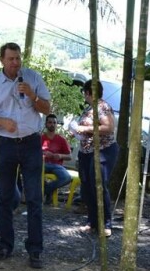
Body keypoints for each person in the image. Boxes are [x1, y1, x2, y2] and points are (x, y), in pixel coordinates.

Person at [0, 42, 51, 269]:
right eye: (11, 59)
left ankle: (35, 249)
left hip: (31, 143)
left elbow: (47, 109)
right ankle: (5, 245)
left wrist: (32, 95)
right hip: (5, 144)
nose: (15, 63)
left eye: (18, 58)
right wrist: (1, 121)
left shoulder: (32, 78)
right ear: (2, 60)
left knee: (34, 198)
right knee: (4, 197)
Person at [72, 79, 118, 238]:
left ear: (88, 92)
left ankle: (106, 223)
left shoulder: (102, 107)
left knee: (98, 186)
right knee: (87, 186)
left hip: (102, 151)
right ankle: (92, 221)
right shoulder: (89, 109)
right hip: (86, 152)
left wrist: (85, 128)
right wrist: (76, 131)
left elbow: (109, 127)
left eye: (85, 93)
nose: (84, 96)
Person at [41, 113, 72, 203]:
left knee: (67, 178)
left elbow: (69, 156)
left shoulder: (61, 139)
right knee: (32, 171)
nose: (52, 124)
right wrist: (44, 153)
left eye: (54, 123)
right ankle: (47, 192)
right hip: (43, 164)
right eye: (50, 122)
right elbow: (33, 153)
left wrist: (60, 156)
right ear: (46, 124)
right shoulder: (40, 138)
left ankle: (45, 190)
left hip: (56, 165)